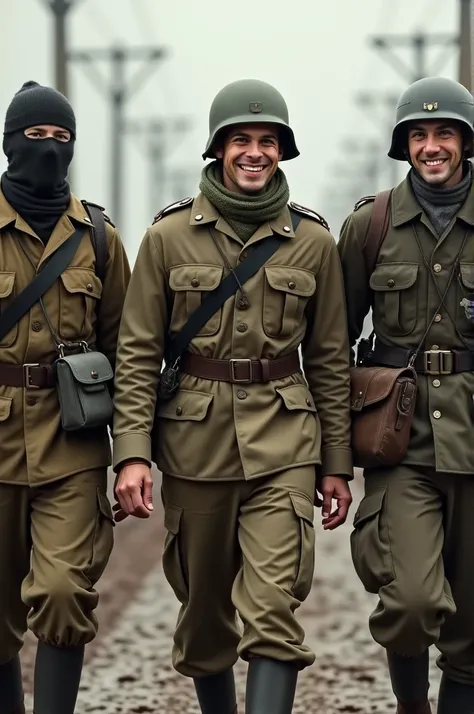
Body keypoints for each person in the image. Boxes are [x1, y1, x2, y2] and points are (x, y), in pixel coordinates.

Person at [111, 78, 353, 713]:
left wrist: (335, 464)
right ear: (217, 149)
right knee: (206, 618)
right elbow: (136, 353)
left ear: (282, 151)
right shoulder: (167, 239)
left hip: (286, 442)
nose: (254, 152)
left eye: (267, 141)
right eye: (240, 140)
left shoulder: (313, 242)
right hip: (195, 445)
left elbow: (329, 360)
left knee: (273, 610)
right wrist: (132, 453)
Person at [337, 76, 474, 714]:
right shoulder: (372, 225)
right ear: (404, 145)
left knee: (471, 631)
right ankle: (412, 705)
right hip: (402, 443)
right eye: (418, 135)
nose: (431, 146)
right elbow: (332, 344)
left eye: (443, 132)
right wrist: (334, 458)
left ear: (464, 141)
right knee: (413, 601)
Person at [0, 80, 130, 714]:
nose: (49, 149)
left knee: (61, 592)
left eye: (61, 139)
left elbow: (129, 353)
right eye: (35, 136)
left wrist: (134, 452)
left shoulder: (99, 237)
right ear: (8, 142)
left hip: (72, 441)